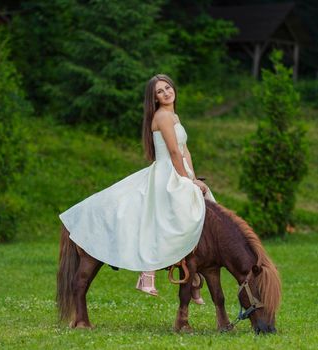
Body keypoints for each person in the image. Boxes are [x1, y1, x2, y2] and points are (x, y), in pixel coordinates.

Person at [59, 74, 215, 303]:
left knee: (204, 206)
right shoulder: (162, 116)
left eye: (168, 87)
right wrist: (187, 180)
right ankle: (160, 273)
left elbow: (184, 150)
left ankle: (193, 273)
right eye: (159, 91)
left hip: (178, 170)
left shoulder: (174, 115)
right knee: (178, 210)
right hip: (166, 172)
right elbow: (173, 152)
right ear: (154, 98)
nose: (166, 93)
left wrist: (192, 175)